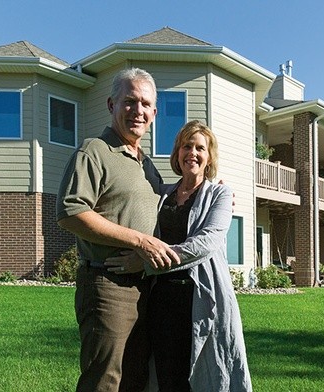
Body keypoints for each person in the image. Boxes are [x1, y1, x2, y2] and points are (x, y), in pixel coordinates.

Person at [56, 67, 181, 392]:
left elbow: (165, 205)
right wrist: (139, 241)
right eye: (129, 101)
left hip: (144, 288)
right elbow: (70, 212)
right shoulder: (94, 151)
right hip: (107, 287)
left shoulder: (145, 164)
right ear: (112, 105)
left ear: (153, 112)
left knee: (137, 380)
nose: (137, 111)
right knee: (105, 382)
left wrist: (210, 189)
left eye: (144, 104)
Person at [106, 120, 252, 392]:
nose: (192, 153)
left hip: (200, 298)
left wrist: (147, 261)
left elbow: (205, 243)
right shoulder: (163, 194)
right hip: (161, 300)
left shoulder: (220, 194)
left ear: (209, 157)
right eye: (187, 146)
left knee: (204, 373)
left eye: (200, 148)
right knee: (166, 374)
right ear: (177, 153)